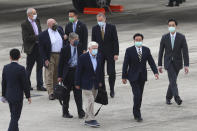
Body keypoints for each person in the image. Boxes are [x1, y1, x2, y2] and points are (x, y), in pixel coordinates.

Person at [122, 33, 159, 122]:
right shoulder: (129, 50)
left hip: (142, 76)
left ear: (142, 40)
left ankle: (136, 111)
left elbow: (151, 62)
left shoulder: (146, 50)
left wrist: (155, 72)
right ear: (134, 41)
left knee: (139, 96)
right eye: (136, 40)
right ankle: (137, 114)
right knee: (137, 95)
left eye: (140, 40)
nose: (138, 41)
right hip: (132, 76)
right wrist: (124, 76)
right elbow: (125, 64)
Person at [158, 18, 189, 105]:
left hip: (178, 62)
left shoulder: (181, 37)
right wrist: (159, 65)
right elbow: (161, 51)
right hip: (168, 62)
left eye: (173, 25)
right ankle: (177, 97)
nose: (171, 27)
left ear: (176, 26)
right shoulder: (164, 37)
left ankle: (168, 97)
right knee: (173, 80)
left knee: (172, 80)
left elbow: (185, 52)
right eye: (169, 25)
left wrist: (186, 65)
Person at [1, 48, 31, 131]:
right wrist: (28, 96)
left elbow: (3, 83)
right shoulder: (21, 69)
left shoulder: (6, 67)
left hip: (9, 95)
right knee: (15, 117)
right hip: (17, 97)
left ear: (10, 57)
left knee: (13, 115)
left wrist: (3, 95)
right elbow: (25, 84)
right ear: (20, 56)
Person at [75, 42, 103, 127]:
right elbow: (78, 71)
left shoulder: (99, 56)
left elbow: (100, 70)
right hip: (86, 82)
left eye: (96, 48)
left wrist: (101, 81)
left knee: (91, 101)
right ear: (89, 49)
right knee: (90, 100)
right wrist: (77, 83)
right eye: (93, 48)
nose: (95, 50)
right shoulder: (83, 57)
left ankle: (87, 119)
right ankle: (91, 119)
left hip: (95, 83)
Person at [58, 32, 85, 119]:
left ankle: (80, 112)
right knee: (66, 94)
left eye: (78, 39)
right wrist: (59, 76)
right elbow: (61, 64)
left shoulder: (80, 47)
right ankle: (65, 112)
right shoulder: (64, 49)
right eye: (75, 39)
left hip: (77, 72)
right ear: (70, 40)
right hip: (68, 73)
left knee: (78, 93)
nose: (77, 41)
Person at [92, 13, 119, 98]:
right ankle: (102, 89)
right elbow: (93, 42)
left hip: (110, 53)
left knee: (111, 72)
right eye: (98, 21)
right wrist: (93, 53)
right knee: (100, 73)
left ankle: (112, 89)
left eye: (101, 20)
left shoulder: (112, 27)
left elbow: (115, 41)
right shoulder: (95, 28)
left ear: (105, 19)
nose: (99, 22)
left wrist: (116, 53)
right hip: (99, 53)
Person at [39, 18, 66, 100]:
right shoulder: (43, 34)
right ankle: (50, 92)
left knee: (57, 73)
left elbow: (64, 40)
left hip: (60, 54)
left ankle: (56, 90)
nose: (55, 25)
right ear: (49, 25)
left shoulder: (60, 30)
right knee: (49, 74)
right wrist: (45, 59)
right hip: (50, 55)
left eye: (55, 23)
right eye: (53, 24)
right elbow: (41, 48)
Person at [21, 8, 46, 91]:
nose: (35, 15)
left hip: (39, 47)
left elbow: (40, 31)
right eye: (34, 13)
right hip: (31, 48)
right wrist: (38, 37)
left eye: (36, 13)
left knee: (40, 67)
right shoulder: (24, 24)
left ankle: (40, 85)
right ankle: (27, 85)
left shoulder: (37, 21)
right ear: (29, 15)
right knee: (29, 68)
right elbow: (26, 38)